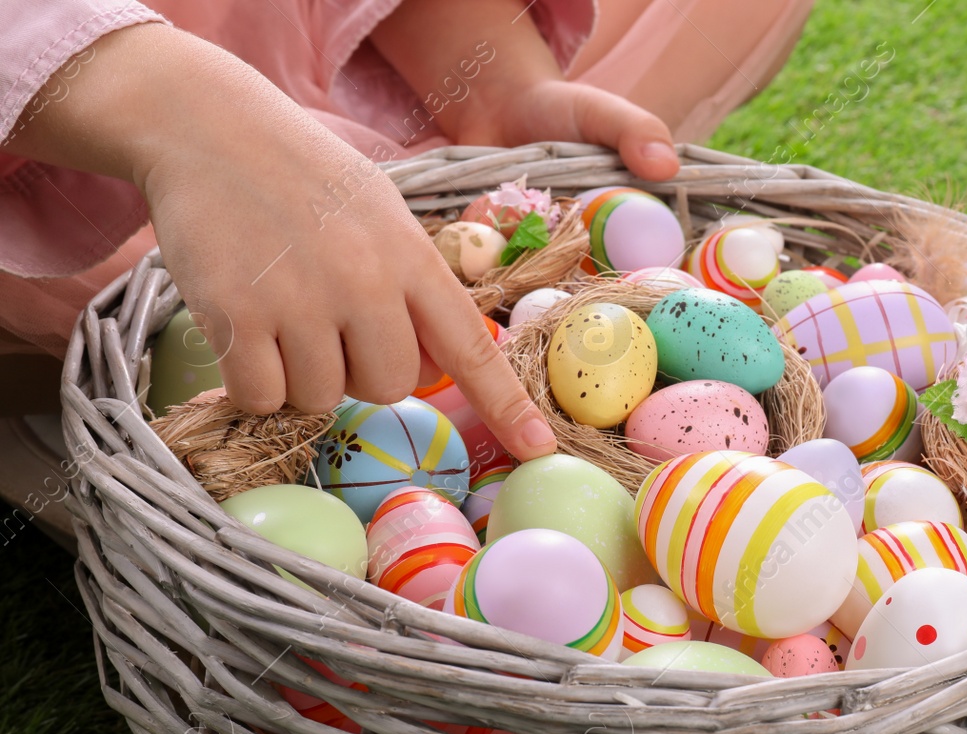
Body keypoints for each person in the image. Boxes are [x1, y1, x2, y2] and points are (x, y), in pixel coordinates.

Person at [0, 0, 814, 549]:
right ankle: (93, 374)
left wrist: (489, 77)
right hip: (76, 103)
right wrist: (187, 123)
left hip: (305, 44)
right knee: (184, 263)